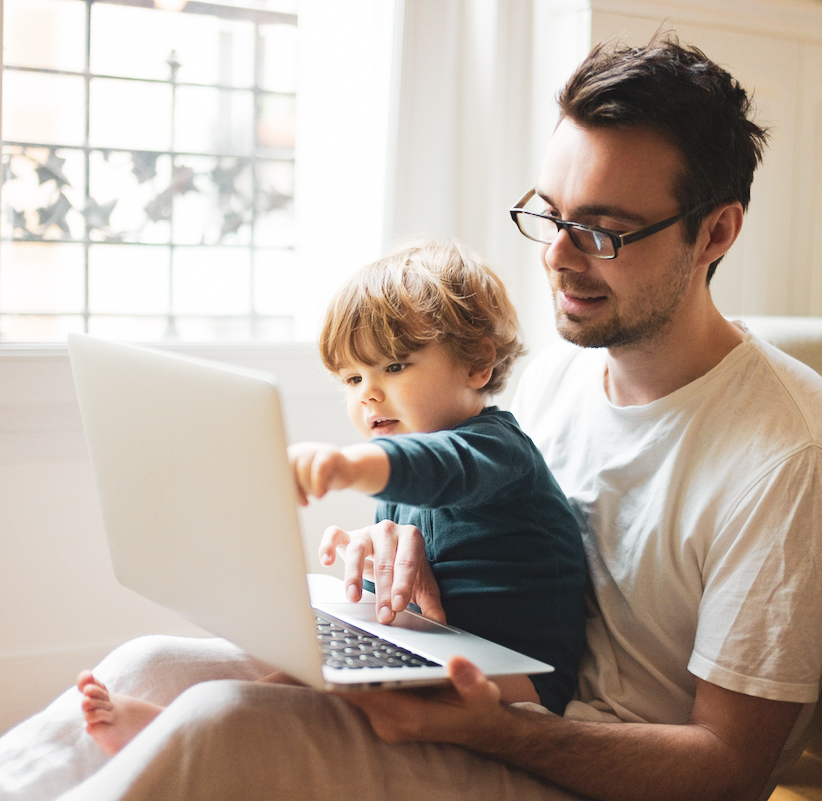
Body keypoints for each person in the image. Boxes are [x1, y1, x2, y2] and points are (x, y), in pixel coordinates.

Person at [0, 34, 822, 801]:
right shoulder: (564, 379)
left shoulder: (788, 455)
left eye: (606, 232)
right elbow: (485, 527)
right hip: (487, 694)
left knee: (216, 726)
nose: (562, 259)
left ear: (717, 231)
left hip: (568, 765)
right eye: (549, 214)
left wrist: (497, 727)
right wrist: (406, 573)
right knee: (153, 663)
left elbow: (732, 770)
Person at [75, 240, 587, 756]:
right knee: (320, 665)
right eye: (352, 377)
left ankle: (172, 736)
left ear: (478, 365)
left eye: (393, 367)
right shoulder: (397, 481)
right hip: (446, 648)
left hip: (522, 682)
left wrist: (348, 466)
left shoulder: (496, 449)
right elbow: (403, 595)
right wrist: (364, 587)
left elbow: (441, 467)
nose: (367, 392)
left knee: (304, 695)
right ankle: (175, 728)